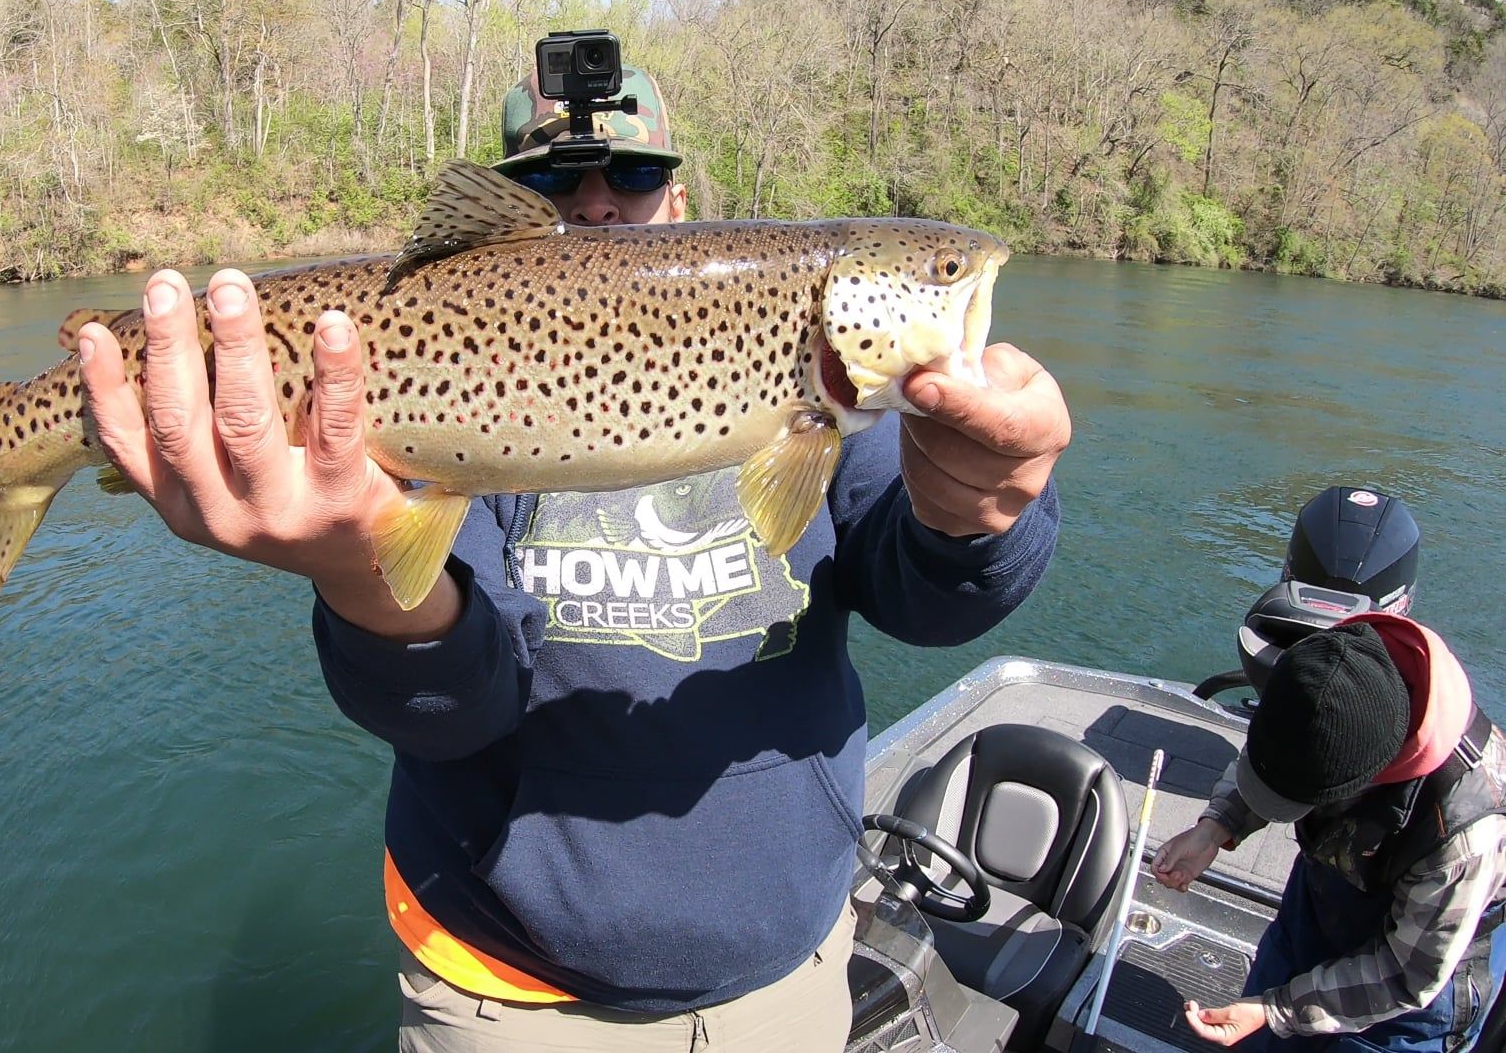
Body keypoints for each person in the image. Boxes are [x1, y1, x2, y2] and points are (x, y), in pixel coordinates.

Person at [73, 59, 1073, 1049]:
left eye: (631, 179)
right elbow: (452, 707)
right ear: (507, 202)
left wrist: (978, 512)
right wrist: (355, 573)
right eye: (557, 183)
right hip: (505, 997)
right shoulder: (455, 380)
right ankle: (1, 446)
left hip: (794, 977)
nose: (598, 205)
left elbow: (928, 604)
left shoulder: (835, 424)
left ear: (680, 197)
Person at [1154, 616, 1505, 1052]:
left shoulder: (1463, 832)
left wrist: (1275, 1010)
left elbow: (1407, 974)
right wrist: (1216, 827)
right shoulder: (1323, 676)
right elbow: (1280, 753)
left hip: (1413, 982)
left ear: (1365, 780)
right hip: (1319, 910)